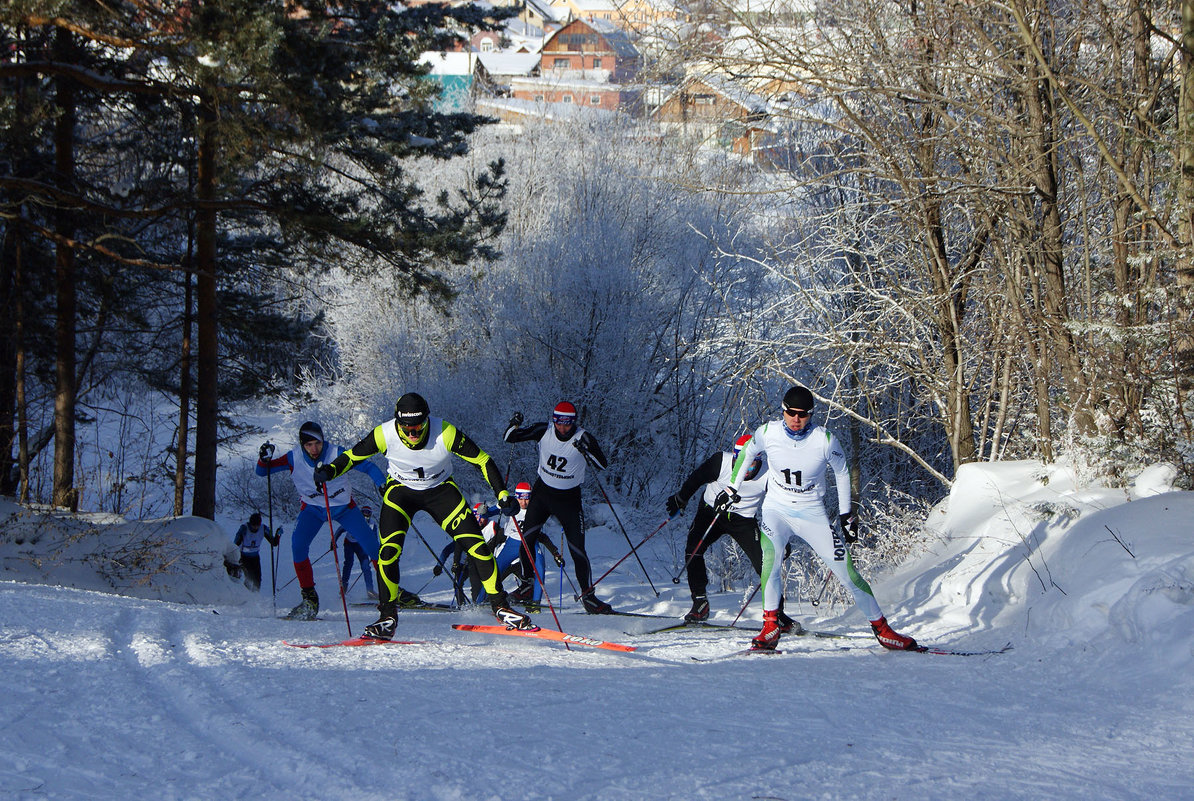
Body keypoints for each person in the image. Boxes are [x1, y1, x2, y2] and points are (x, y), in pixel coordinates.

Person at [314, 392, 534, 639]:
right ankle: (387, 616)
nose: (412, 434)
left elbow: (482, 460)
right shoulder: (384, 433)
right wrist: (329, 471)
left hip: (440, 491)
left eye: (417, 427)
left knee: (477, 547)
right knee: (387, 553)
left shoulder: (444, 432)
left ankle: (501, 607)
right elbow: (353, 457)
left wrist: (502, 494)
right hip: (401, 493)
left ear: (427, 421)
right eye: (406, 428)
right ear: (397, 422)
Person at [725, 385, 918, 651]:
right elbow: (747, 452)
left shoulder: (824, 439)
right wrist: (731, 488)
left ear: (811, 415)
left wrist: (846, 514)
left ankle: (884, 631)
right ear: (783, 411)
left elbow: (842, 472)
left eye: (802, 415)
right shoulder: (768, 432)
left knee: (847, 572)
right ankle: (770, 627)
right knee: (770, 559)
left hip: (811, 512)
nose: (796, 419)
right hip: (777, 509)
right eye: (791, 413)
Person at [256, 421, 385, 620]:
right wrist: (263, 459)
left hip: (344, 509)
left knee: (372, 546)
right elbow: (263, 471)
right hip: (313, 510)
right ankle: (309, 598)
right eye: (308, 445)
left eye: (317, 443)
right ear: (302, 445)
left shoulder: (336, 453)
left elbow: (368, 466)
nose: (314, 449)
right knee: (298, 547)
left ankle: (391, 591)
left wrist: (381, 483)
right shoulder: (294, 457)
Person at [666, 436, 797, 631]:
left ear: (758, 460)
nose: (744, 468)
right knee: (693, 550)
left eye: (750, 463)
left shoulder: (770, 473)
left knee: (765, 562)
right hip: (711, 511)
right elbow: (696, 479)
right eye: (739, 461)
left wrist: (781, 535)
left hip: (743, 519)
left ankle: (777, 614)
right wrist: (680, 498)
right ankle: (700, 603)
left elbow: (780, 506)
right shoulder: (721, 462)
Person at [503, 401, 612, 614]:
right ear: (554, 420)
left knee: (577, 549)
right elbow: (509, 438)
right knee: (527, 539)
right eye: (560, 422)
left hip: (569, 499)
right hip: (542, 494)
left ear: (574, 422)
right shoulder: (544, 430)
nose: (564, 427)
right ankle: (526, 585)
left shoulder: (583, 437)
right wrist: (514, 424)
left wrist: (585, 451)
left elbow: (602, 464)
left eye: (568, 423)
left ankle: (588, 596)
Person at [481, 481, 565, 613]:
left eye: (527, 498)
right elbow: (491, 512)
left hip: (531, 542)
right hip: (512, 543)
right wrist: (484, 511)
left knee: (540, 568)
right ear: (516, 496)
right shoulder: (511, 502)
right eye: (521, 498)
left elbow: (554, 508)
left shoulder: (536, 505)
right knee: (494, 569)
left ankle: (535, 604)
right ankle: (480, 600)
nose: (524, 502)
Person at [339, 505, 378, 600]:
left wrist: (375, 550)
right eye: (364, 512)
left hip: (361, 545)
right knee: (348, 563)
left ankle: (370, 591)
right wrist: (333, 541)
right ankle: (343, 589)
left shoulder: (372, 525)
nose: (365, 514)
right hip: (349, 544)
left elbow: (374, 539)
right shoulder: (354, 520)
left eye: (368, 512)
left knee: (366, 567)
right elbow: (340, 529)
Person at [232, 511, 279, 592]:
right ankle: (246, 595)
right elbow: (235, 544)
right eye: (253, 526)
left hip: (255, 557)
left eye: (257, 525)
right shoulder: (244, 528)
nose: (255, 528)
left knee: (257, 578)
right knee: (249, 577)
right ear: (250, 523)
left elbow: (274, 542)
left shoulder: (263, 528)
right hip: (244, 557)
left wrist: (278, 534)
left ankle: (256, 595)